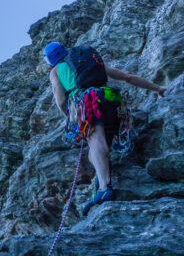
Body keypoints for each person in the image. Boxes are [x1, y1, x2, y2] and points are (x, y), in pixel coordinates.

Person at [43, 41, 166, 212]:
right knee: (95, 152)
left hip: (87, 103)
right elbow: (127, 76)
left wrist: (72, 117)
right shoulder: (88, 61)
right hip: (111, 99)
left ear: (50, 60)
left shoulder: (56, 71)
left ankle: (104, 188)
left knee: (95, 142)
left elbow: (61, 100)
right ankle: (101, 183)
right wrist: (157, 88)